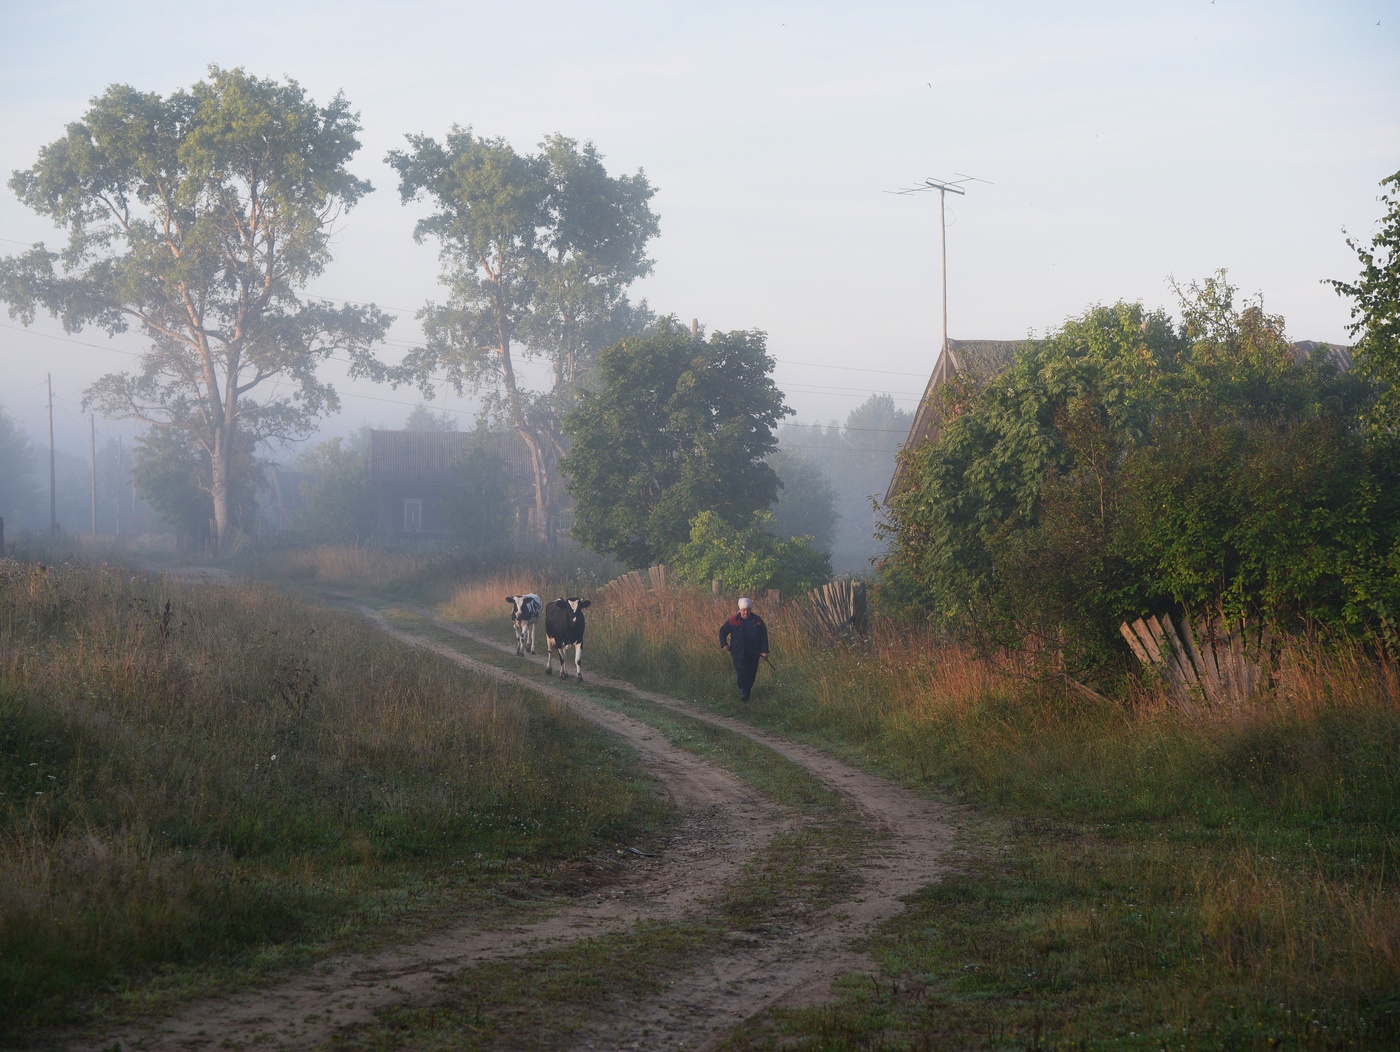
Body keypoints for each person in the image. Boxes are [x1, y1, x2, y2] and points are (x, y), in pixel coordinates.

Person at [719, 596, 769, 703]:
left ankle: (747, 696)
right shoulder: (733, 620)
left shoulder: (758, 620)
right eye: (744, 610)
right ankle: (742, 691)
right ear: (740, 610)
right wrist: (724, 644)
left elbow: (764, 636)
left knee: (751, 675)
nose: (746, 612)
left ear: (751, 610)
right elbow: (722, 632)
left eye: (748, 610)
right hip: (738, 653)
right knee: (742, 672)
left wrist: (765, 651)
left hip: (754, 653)